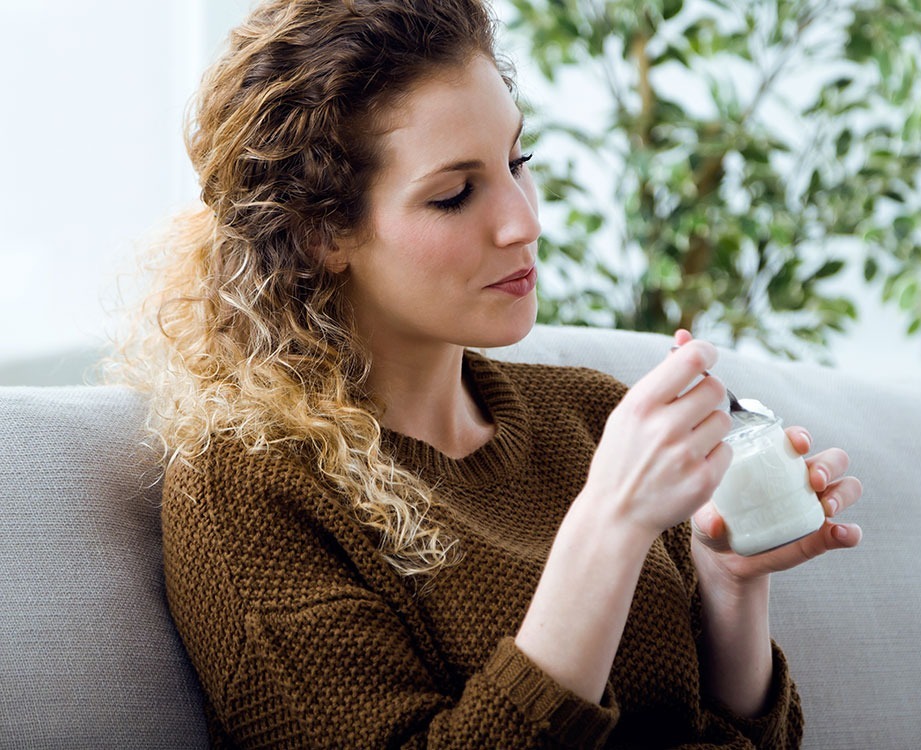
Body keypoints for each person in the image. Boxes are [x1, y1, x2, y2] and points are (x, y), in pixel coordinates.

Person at [118, 0, 863, 746]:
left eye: (517, 161)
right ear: (320, 233)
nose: (524, 222)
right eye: (454, 194)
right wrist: (606, 525)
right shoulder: (245, 493)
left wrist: (731, 582)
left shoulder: (592, 418)